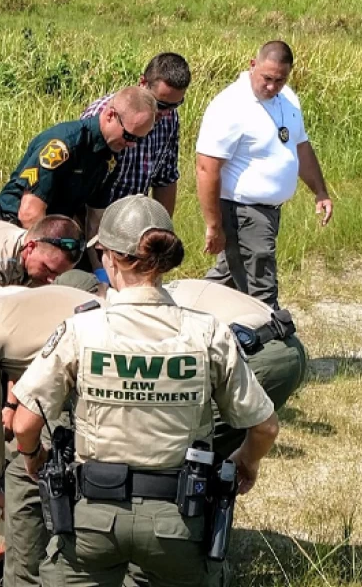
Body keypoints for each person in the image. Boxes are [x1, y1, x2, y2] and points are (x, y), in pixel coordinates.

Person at [11, 195, 280, 587]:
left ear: (109, 257)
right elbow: (266, 427)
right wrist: (246, 462)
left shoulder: (81, 330)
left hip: (92, 521)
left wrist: (35, 457)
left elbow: (24, 424)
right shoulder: (207, 332)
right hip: (179, 523)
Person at [0, 254, 106, 587]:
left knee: (23, 477)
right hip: (120, 372)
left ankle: (24, 574)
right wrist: (13, 406)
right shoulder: (23, 296)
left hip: (83, 387)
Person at [195, 40, 333, 309]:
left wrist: (320, 191)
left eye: (279, 80)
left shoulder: (288, 98)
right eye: (266, 78)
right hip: (243, 211)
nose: (271, 87)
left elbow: (300, 147)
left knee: (230, 278)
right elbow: (206, 168)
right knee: (261, 286)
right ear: (252, 65)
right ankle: (271, 343)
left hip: (269, 212)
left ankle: (186, 312)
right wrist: (214, 224)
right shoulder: (230, 106)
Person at [165, 278, 306, 459]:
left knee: (187, 449)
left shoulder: (144, 311)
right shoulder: (168, 290)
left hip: (258, 353)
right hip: (287, 344)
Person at [0, 86, 158, 230]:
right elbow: (29, 213)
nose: (132, 145)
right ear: (110, 116)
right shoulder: (63, 146)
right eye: (130, 136)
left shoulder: (108, 155)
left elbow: (92, 218)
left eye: (139, 139)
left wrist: (100, 268)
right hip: (13, 229)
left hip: (51, 230)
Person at [80, 53, 190, 274]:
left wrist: (161, 233)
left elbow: (165, 177)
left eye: (174, 105)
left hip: (133, 227)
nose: (165, 113)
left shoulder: (169, 119)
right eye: (160, 104)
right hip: (94, 226)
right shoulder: (107, 115)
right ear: (142, 83)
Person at [0, 215, 85, 286]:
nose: (51, 280)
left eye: (58, 275)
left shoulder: (35, 259)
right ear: (30, 247)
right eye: (47, 269)